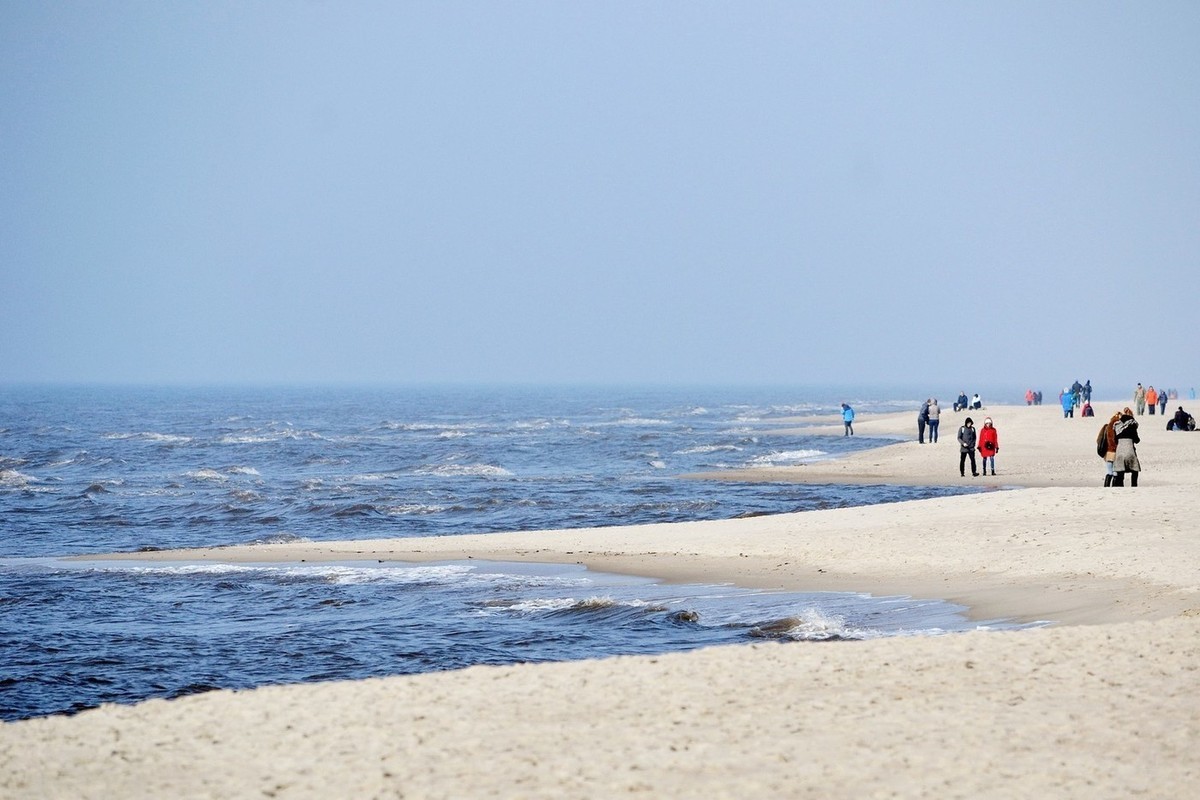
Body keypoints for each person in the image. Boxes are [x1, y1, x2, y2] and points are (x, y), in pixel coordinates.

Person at [1111, 407, 1140, 487]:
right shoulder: (1132, 424)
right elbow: (1137, 440)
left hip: (1120, 450)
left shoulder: (1117, 425)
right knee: (1135, 470)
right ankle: (1134, 485)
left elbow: (1115, 439)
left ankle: (1120, 486)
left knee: (1120, 470)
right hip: (1129, 449)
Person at [1100, 411, 1120, 486]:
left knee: (1109, 471)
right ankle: (1114, 486)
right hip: (1114, 452)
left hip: (1108, 453)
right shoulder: (1115, 428)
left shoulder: (1107, 428)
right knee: (1115, 472)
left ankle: (1106, 486)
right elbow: (1113, 440)